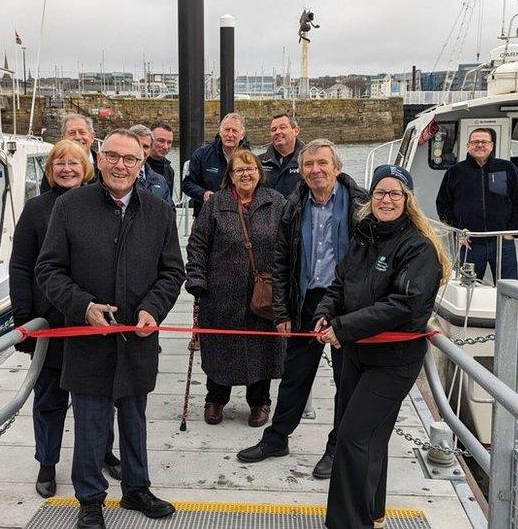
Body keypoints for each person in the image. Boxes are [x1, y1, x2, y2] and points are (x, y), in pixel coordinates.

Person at [35, 129, 185, 529]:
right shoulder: (69, 207)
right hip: (88, 338)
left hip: (138, 338)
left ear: (141, 166)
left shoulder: (159, 211)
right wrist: (83, 307)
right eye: (114, 157)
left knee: (134, 418)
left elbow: (173, 272)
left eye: (131, 160)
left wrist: (153, 310)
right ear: (98, 159)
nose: (121, 165)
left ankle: (136, 488)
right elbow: (47, 269)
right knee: (90, 422)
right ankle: (90, 499)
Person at [315, 164, 451, 529]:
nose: (386, 199)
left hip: (392, 360)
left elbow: (402, 304)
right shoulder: (364, 236)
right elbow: (340, 283)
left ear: (407, 200)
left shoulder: (417, 248)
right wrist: (326, 312)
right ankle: (372, 512)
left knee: (352, 437)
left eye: (394, 193)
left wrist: (343, 328)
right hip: (358, 353)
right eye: (380, 192)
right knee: (370, 439)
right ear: (370, 197)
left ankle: (349, 523)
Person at [237, 139, 368, 480]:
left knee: (346, 377)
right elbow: (281, 261)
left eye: (322, 163)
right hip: (306, 299)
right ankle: (277, 438)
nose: (315, 170)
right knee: (295, 375)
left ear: (336, 167)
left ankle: (337, 446)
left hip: (346, 304)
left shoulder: (359, 203)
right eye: (308, 165)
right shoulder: (294, 205)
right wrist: (281, 312)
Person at [9, 140, 94, 498]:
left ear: (87, 168)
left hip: (92, 323)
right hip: (51, 321)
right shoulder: (35, 210)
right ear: (50, 169)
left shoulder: (98, 207)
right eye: (60, 162)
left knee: (96, 401)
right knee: (49, 398)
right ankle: (47, 461)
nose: (67, 168)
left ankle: (100, 453)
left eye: (74, 162)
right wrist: (25, 317)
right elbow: (21, 265)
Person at [185, 150, 286, 427]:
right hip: (220, 293)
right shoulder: (215, 204)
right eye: (239, 169)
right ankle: (215, 399)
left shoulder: (276, 202)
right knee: (220, 345)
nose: (245, 174)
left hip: (263, 292)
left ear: (259, 172)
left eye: (250, 168)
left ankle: (260, 401)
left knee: (261, 347)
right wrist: (196, 278)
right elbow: (198, 244)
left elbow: (288, 246)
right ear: (229, 175)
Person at [435, 128, 518, 281]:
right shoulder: (455, 172)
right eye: (475, 142)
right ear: (468, 146)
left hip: (502, 242)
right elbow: (443, 205)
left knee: (510, 286)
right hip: (470, 243)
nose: (479, 145)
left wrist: (511, 232)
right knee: (467, 286)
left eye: (484, 142)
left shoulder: (507, 168)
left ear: (491, 146)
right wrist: (458, 232)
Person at [182, 112, 248, 215]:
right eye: (227, 130)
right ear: (220, 132)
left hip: (238, 217)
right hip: (206, 216)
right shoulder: (202, 155)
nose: (230, 135)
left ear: (242, 135)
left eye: (234, 131)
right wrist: (203, 194)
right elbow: (187, 184)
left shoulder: (249, 159)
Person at [258, 114, 305, 197]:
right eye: (274, 129)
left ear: (296, 131)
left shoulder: (308, 160)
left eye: (282, 127)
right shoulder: (258, 162)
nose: (277, 132)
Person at [129, 124, 173, 206]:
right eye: (161, 141)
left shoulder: (165, 174)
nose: (166, 147)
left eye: (145, 147)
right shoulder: (119, 173)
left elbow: (170, 209)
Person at [146, 121, 176, 195]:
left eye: (169, 142)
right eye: (161, 141)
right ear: (150, 140)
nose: (166, 147)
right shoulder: (138, 167)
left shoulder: (169, 170)